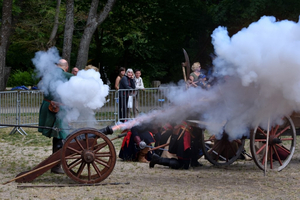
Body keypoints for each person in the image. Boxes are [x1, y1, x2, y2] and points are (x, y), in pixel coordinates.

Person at [38, 59, 73, 174]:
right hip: (57, 108)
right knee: (61, 135)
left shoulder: (48, 74)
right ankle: (56, 165)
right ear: (66, 67)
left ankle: (55, 164)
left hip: (47, 105)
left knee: (58, 136)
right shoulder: (67, 75)